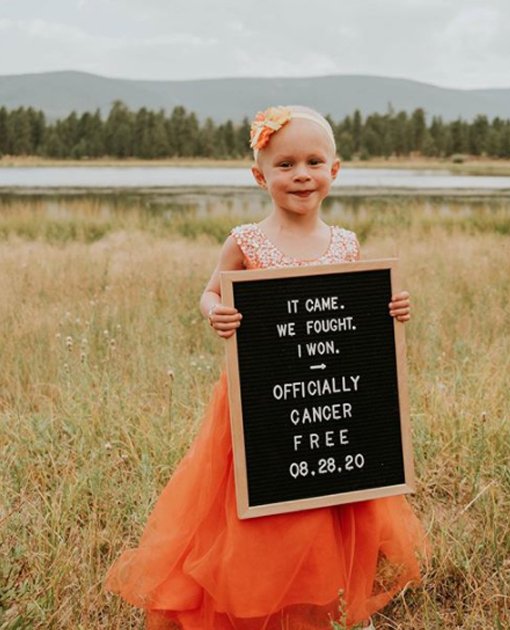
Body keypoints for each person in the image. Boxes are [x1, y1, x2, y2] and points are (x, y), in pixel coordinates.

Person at [106, 105, 425, 629]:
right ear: (261, 176)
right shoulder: (247, 241)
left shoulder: (345, 244)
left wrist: (391, 310)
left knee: (327, 503)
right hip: (259, 404)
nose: (301, 175)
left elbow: (359, 315)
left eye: (314, 162)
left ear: (335, 171)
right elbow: (209, 293)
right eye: (285, 165)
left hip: (328, 404)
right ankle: (263, 605)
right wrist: (218, 313)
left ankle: (327, 603)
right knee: (266, 506)